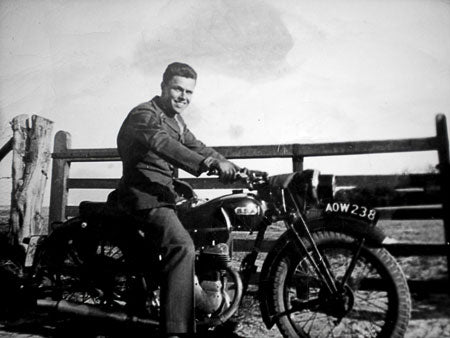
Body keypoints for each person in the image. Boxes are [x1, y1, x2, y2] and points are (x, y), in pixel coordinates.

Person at [116, 62, 239, 337]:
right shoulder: (144, 115)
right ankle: (176, 331)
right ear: (163, 87)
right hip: (142, 196)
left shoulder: (177, 120)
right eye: (177, 89)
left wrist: (227, 163)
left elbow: (196, 145)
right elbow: (163, 144)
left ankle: (215, 305)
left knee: (217, 226)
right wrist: (207, 162)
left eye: (189, 92)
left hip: (165, 195)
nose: (183, 96)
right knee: (182, 246)